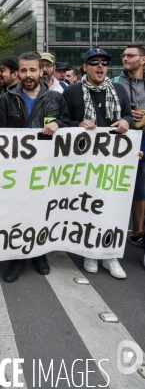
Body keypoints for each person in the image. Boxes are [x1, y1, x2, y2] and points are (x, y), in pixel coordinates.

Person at [0, 51, 70, 283]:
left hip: (46, 169)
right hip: (17, 167)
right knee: (18, 212)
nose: (28, 75)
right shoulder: (7, 98)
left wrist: (59, 123)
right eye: (24, 70)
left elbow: (69, 124)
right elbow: (0, 134)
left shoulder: (56, 99)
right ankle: (17, 257)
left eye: (33, 70)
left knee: (42, 211)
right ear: (17, 72)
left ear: (42, 71)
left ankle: (39, 254)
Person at [63, 47, 133, 279]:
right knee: (88, 204)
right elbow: (63, 121)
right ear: (85, 67)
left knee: (112, 206)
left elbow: (129, 116)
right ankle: (89, 252)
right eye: (94, 62)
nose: (100, 66)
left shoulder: (119, 90)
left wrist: (126, 121)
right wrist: (78, 124)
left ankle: (110, 254)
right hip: (83, 160)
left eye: (104, 62)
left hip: (113, 161)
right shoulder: (72, 92)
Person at [113, 44, 145, 249]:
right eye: (124, 55)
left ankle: (137, 232)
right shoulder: (115, 82)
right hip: (122, 140)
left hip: (143, 139)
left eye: (130, 55)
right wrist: (124, 115)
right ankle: (113, 228)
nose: (125, 58)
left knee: (141, 188)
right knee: (117, 185)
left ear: (143, 60)